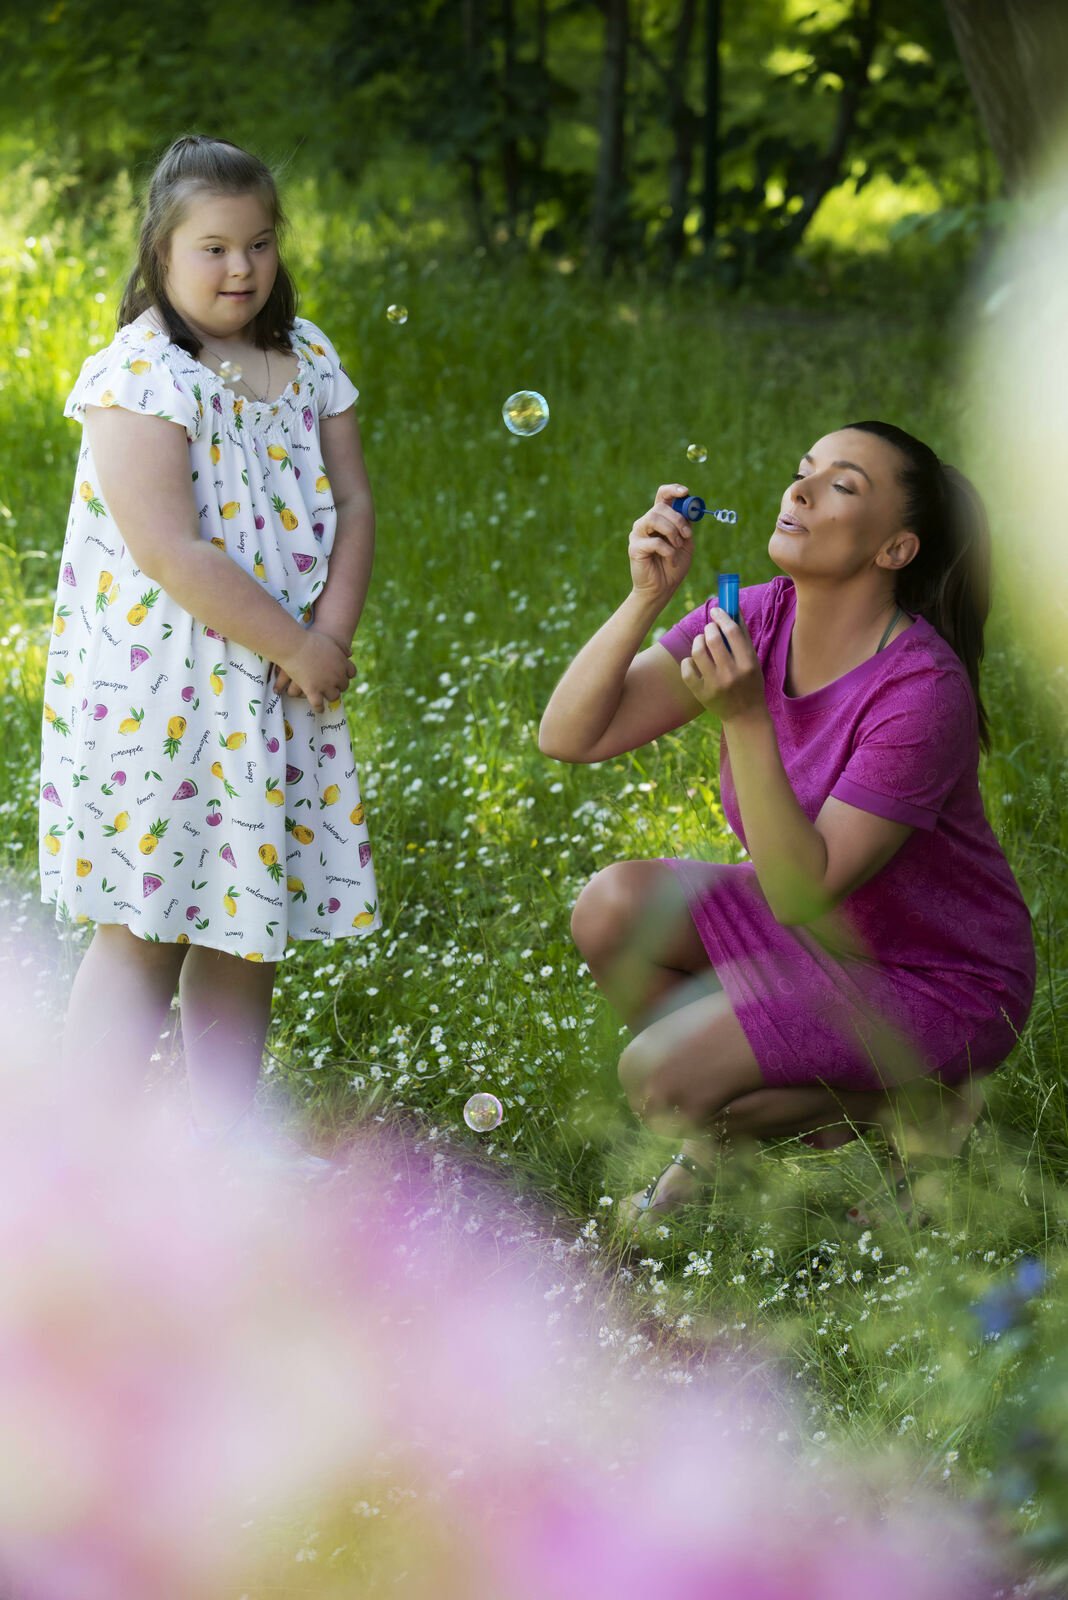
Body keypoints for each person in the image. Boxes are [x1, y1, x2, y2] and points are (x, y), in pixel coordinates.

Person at [539, 423, 1036, 1230]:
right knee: (611, 906)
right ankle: (817, 1110)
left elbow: (802, 889)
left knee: (659, 1080)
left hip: (935, 978)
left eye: (841, 485)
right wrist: (647, 599)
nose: (799, 492)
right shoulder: (758, 617)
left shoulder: (921, 690)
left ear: (896, 550)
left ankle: (910, 1103)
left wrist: (741, 717)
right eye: (803, 471)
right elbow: (570, 736)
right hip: (819, 938)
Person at [39, 135, 378, 1157]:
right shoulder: (140, 376)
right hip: (168, 698)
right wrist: (295, 640)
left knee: (246, 924)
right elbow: (170, 547)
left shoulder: (306, 356)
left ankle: (224, 1157)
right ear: (160, 252)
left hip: (277, 688)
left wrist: (329, 635)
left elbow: (354, 498)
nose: (242, 269)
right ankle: (70, 1157)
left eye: (260, 244)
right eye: (214, 248)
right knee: (147, 929)